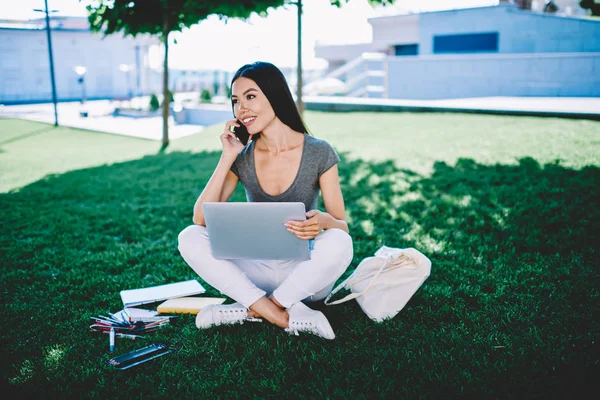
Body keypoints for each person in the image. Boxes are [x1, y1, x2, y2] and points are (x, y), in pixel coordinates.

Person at [177, 62, 353, 340]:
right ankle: (281, 314)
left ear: (275, 95)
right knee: (189, 237)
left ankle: (250, 309)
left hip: (304, 273)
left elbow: (341, 226)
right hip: (255, 271)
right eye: (235, 101)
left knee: (341, 242)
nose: (241, 108)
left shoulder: (319, 152)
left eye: (250, 96)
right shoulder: (243, 157)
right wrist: (228, 156)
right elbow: (200, 220)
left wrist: (323, 221)